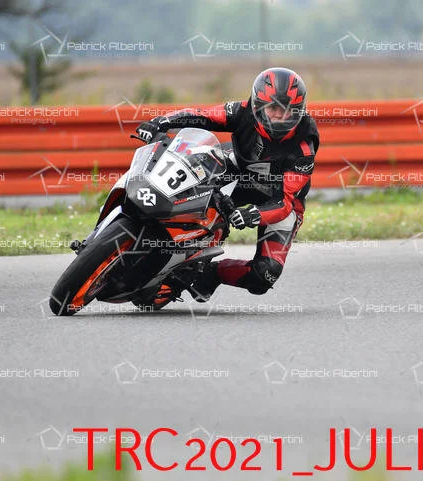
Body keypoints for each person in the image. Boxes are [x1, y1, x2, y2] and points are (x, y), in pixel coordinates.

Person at [135, 67, 318, 305]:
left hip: (277, 200)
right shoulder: (242, 111)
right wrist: (160, 122)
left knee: (265, 274)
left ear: (300, 110)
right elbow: (202, 116)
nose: (279, 117)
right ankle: (154, 226)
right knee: (195, 176)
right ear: (258, 105)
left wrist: (255, 214)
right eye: (273, 109)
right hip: (237, 169)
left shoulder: (304, 145)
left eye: (288, 111)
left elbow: (285, 202)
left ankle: (210, 273)